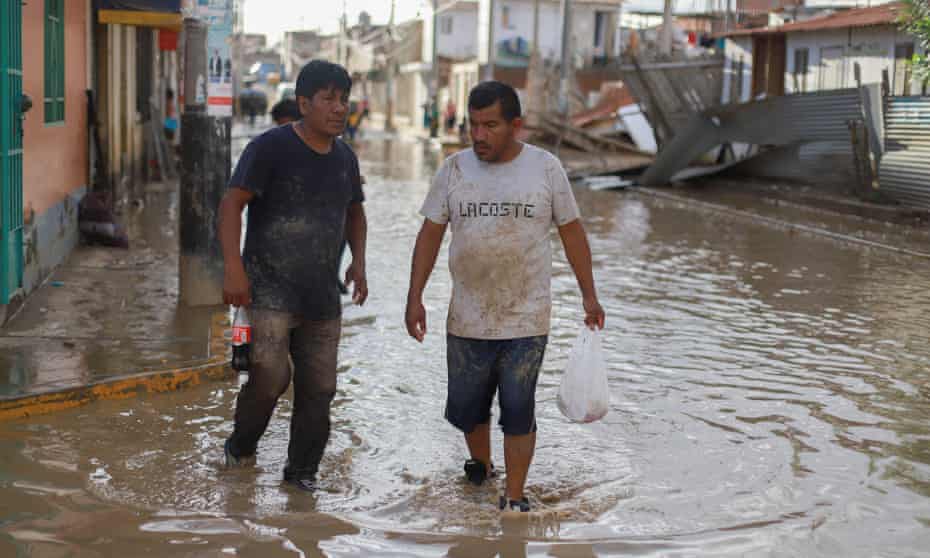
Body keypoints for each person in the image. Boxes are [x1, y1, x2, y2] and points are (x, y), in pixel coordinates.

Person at [405, 81, 605, 513]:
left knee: (518, 408)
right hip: (467, 316)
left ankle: (514, 496)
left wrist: (590, 295)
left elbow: (572, 232)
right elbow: (430, 235)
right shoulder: (454, 170)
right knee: (469, 409)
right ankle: (482, 465)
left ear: (516, 126)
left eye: (490, 125)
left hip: (527, 317)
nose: (479, 135)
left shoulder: (546, 169)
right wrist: (414, 296)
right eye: (473, 125)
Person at [218, 60, 368, 492]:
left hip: (322, 296)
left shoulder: (345, 157)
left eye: (344, 99)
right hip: (267, 290)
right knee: (269, 378)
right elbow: (232, 205)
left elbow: (354, 211)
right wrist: (233, 268)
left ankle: (301, 474)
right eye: (328, 99)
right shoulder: (270, 148)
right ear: (304, 104)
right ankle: (241, 447)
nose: (339, 108)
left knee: (320, 390)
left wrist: (358, 262)